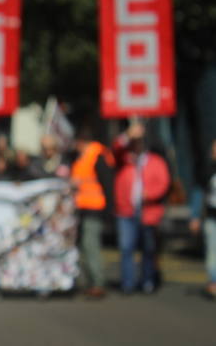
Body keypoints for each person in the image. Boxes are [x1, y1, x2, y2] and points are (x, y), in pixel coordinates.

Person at [112, 123, 171, 294]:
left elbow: (163, 183)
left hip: (148, 211)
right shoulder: (125, 160)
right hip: (125, 210)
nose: (136, 145)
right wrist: (128, 135)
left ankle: (147, 281)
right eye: (133, 142)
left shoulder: (155, 161)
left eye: (139, 142)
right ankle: (128, 283)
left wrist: (150, 194)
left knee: (148, 248)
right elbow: (115, 149)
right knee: (126, 247)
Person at [70, 127, 114, 298]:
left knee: (91, 246)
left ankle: (97, 282)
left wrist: (109, 211)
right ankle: (90, 282)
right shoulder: (82, 157)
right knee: (84, 247)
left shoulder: (98, 156)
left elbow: (107, 184)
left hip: (94, 208)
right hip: (82, 208)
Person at [189, 138, 216, 299]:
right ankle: (214, 282)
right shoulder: (207, 171)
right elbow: (198, 195)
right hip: (212, 218)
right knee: (213, 253)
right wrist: (195, 217)